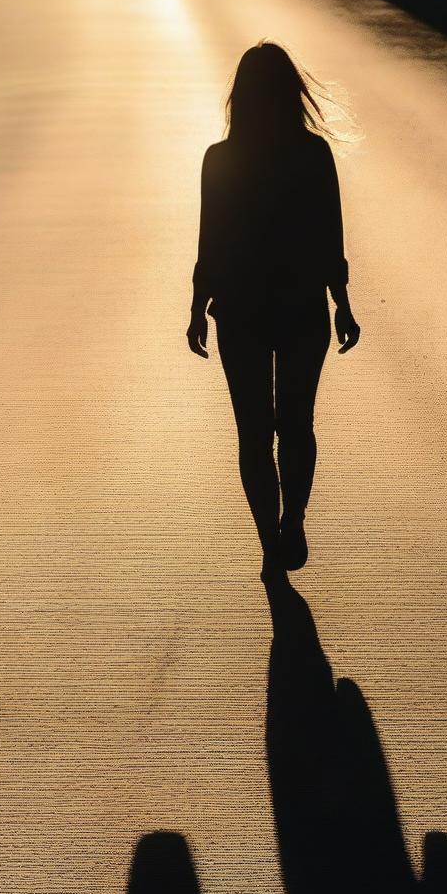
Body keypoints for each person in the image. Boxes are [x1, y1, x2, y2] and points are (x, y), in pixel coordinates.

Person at [186, 41, 360, 575]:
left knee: (254, 434)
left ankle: (269, 543)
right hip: (303, 306)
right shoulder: (312, 155)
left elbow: (209, 242)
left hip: (240, 310)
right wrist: (343, 305)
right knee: (297, 424)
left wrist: (197, 308)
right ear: (292, 94)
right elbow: (332, 237)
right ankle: (295, 520)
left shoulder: (220, 158)